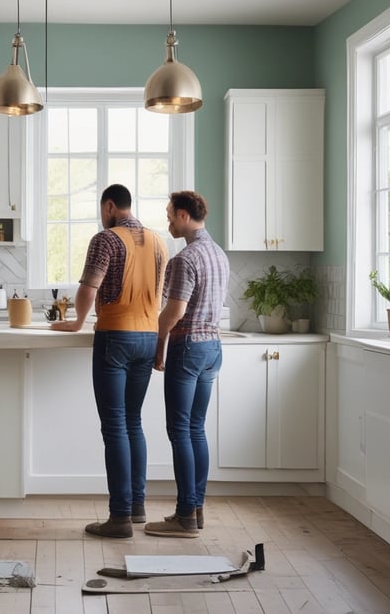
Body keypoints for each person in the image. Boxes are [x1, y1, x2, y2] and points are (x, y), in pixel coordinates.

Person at [52, 184, 168, 538]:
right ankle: (137, 507)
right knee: (133, 421)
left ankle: (118, 518)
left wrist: (77, 321)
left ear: (109, 207)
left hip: (116, 336)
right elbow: (161, 295)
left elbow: (89, 288)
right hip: (148, 337)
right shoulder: (159, 241)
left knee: (115, 425)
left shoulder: (106, 239)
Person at [144, 190, 229, 538]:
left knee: (179, 430)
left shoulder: (186, 259)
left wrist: (158, 346)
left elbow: (174, 312)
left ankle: (184, 516)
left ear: (183, 215)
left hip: (189, 346)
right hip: (213, 348)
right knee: (196, 429)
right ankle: (196, 508)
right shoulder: (219, 254)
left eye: (169, 216)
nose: (168, 223)